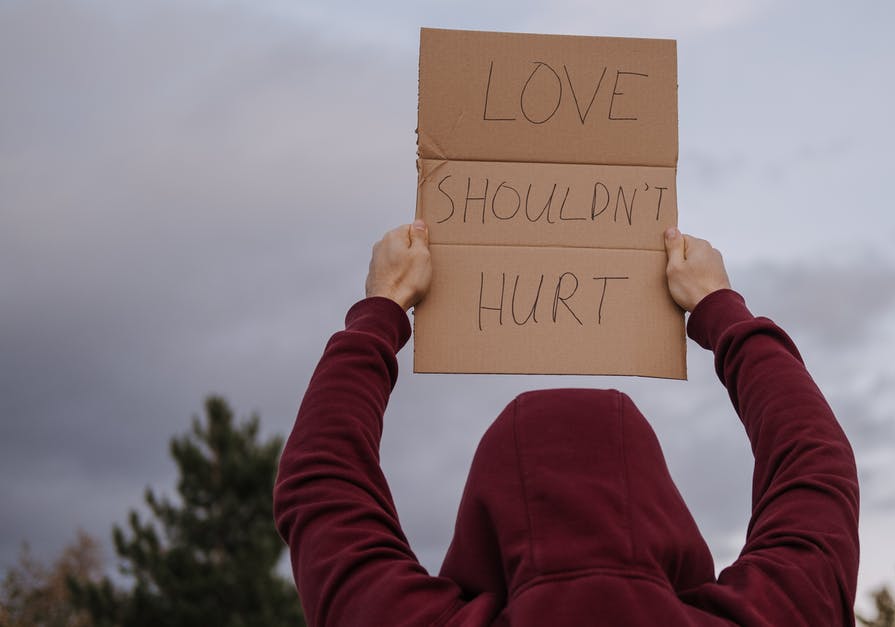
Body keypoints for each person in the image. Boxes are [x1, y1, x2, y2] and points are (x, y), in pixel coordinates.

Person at [274, 220, 860, 626]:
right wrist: (720, 309)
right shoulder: (775, 615)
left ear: (485, 518)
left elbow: (323, 485)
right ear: (661, 508)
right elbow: (815, 468)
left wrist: (383, 307)